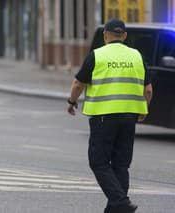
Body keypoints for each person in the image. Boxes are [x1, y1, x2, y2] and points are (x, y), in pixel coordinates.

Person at [67, 18, 153, 213]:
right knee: (121, 165)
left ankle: (120, 202)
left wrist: (72, 102)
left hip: (103, 118)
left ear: (105, 35)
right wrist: (143, 109)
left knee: (98, 162)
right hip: (129, 117)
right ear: (124, 36)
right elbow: (148, 90)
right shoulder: (136, 56)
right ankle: (116, 208)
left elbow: (78, 84)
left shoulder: (97, 55)